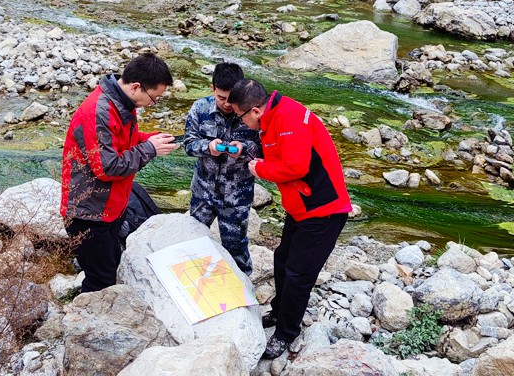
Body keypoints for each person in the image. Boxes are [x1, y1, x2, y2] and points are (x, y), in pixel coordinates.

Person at [227, 79, 352, 359]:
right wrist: (249, 151)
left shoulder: (290, 119)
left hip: (323, 210)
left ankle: (286, 333)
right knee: (282, 259)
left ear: (255, 111)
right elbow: (278, 150)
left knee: (298, 274)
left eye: (240, 115)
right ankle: (279, 312)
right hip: (301, 207)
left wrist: (260, 169)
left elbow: (296, 166)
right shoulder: (273, 116)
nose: (241, 121)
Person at [60, 53, 177, 293]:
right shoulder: (98, 112)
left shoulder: (122, 103)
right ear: (136, 87)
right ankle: (87, 315)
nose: (153, 103)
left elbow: (121, 141)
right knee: (100, 281)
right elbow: (107, 168)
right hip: (89, 214)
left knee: (111, 265)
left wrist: (150, 139)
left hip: (111, 207)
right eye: (153, 98)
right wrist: (150, 149)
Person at [183, 63, 261, 275]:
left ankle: (243, 284)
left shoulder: (253, 112)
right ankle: (194, 281)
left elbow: (264, 149)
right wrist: (207, 147)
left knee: (236, 246)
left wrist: (244, 149)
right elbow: (188, 144)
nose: (227, 104)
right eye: (221, 97)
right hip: (203, 192)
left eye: (231, 98)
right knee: (194, 240)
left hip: (237, 195)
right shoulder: (200, 108)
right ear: (212, 88)